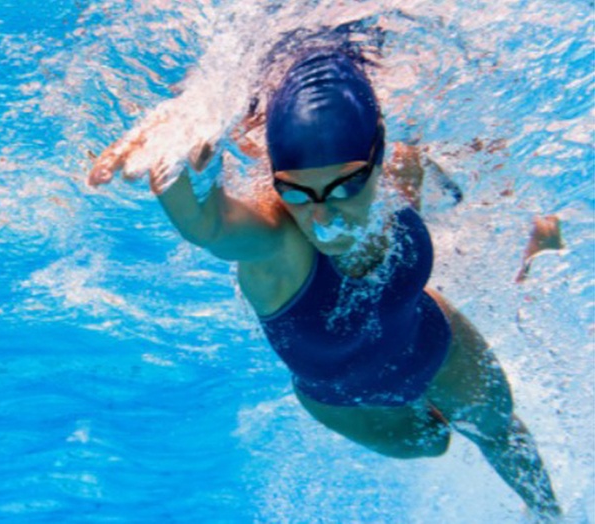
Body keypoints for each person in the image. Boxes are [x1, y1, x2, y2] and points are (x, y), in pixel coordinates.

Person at [88, 45, 561, 519]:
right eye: (295, 190)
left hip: (432, 340)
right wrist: (177, 158)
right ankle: (535, 254)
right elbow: (209, 225)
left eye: (346, 187)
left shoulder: (397, 172)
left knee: (499, 431)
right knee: (434, 442)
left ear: (376, 161)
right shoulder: (280, 245)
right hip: (350, 400)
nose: (320, 216)